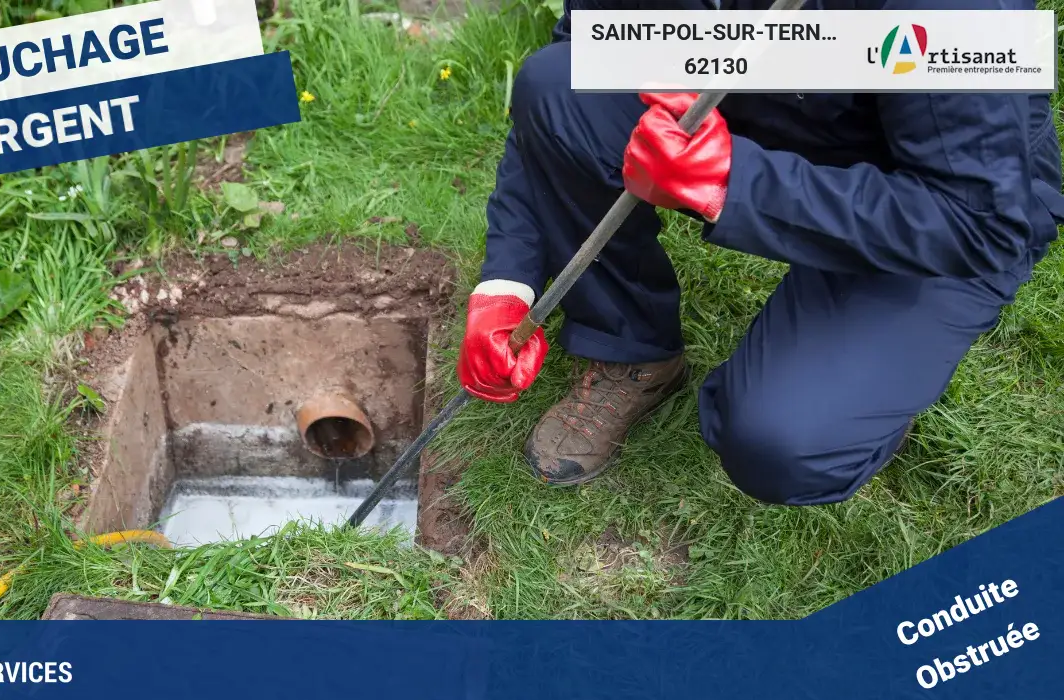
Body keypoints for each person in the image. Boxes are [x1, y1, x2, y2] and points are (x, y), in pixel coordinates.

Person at [456, 0, 1064, 505]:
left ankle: (864, 392)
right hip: (778, 100)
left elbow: (980, 222)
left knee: (784, 441)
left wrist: (734, 183)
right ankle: (631, 352)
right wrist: (507, 282)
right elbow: (572, 81)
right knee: (560, 84)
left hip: (935, 192)